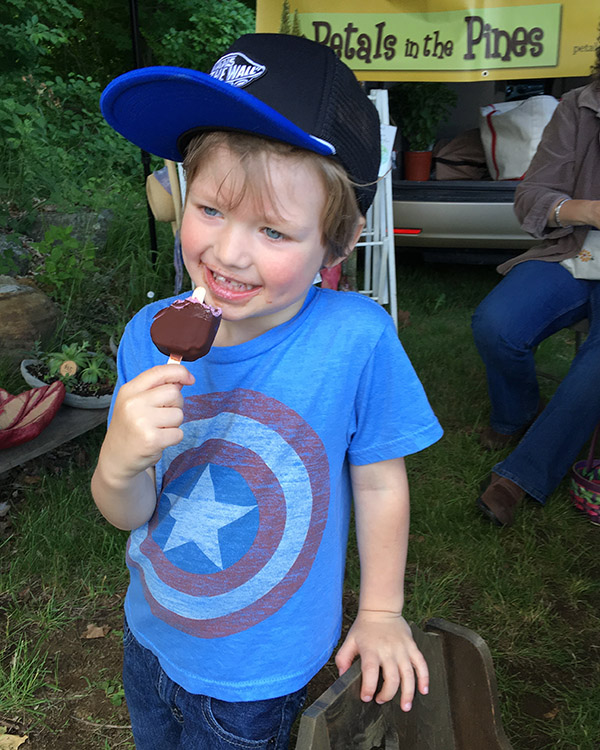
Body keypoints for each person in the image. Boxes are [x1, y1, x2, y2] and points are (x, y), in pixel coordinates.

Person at [92, 34, 443, 749]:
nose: (228, 253)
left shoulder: (356, 340)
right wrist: (118, 466)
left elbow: (379, 482)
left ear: (337, 242)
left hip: (258, 674)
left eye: (274, 231)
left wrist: (381, 610)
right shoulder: (146, 336)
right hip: (151, 635)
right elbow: (130, 512)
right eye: (211, 209)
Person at [472, 36, 600, 527]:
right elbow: (534, 194)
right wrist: (585, 210)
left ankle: (519, 478)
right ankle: (517, 415)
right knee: (498, 323)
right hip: (573, 249)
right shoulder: (580, 106)